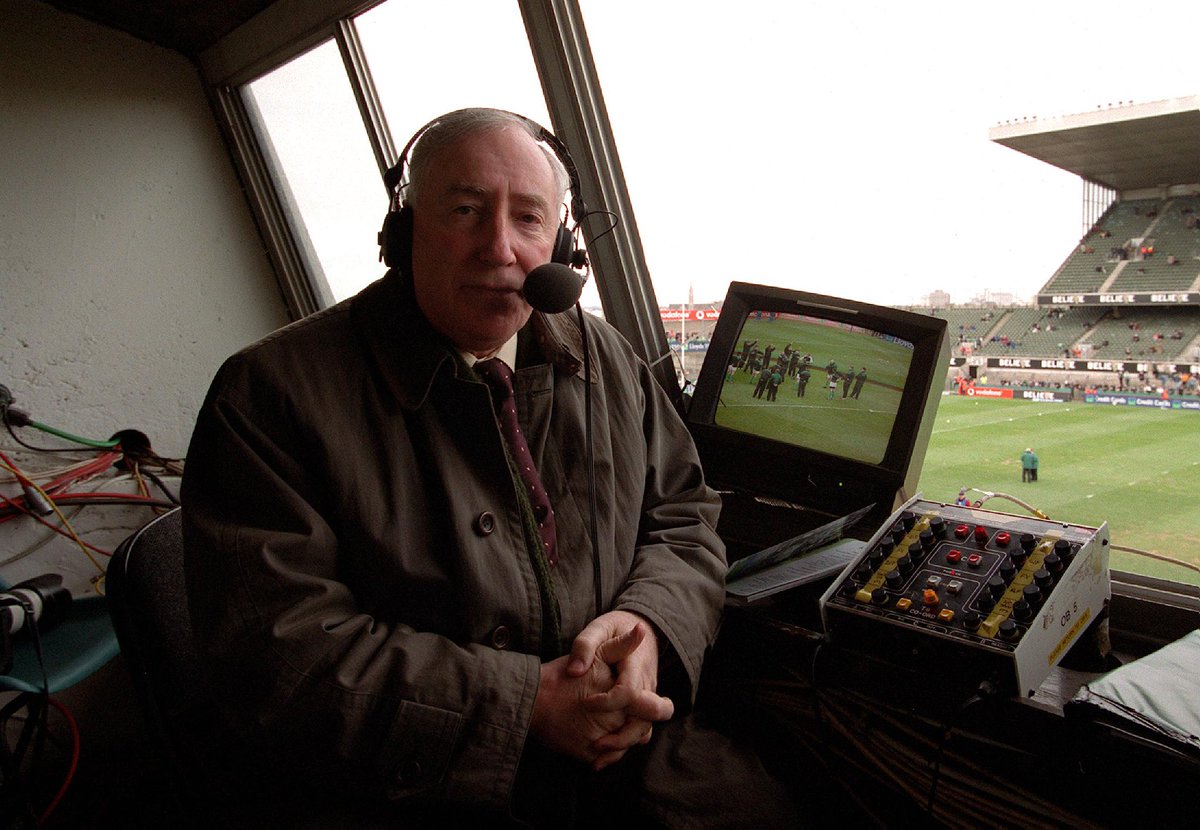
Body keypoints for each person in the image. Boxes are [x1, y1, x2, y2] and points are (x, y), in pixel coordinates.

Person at [181, 108, 791, 827]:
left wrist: (647, 629)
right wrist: (523, 704)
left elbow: (684, 515)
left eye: (529, 220)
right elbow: (282, 657)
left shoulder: (605, 358)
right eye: (465, 211)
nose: (499, 247)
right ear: (403, 235)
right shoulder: (268, 396)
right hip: (418, 776)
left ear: (561, 244)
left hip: (628, 742)